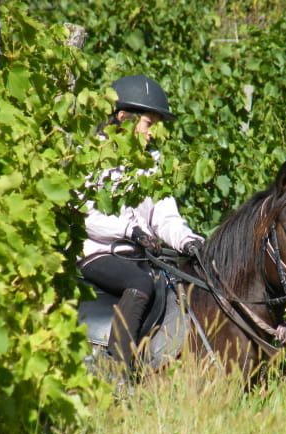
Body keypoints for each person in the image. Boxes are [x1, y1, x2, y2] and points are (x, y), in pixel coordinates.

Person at [77, 74, 204, 376]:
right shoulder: (93, 155)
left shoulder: (151, 164)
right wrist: (131, 231)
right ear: (122, 118)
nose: (152, 134)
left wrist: (189, 241)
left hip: (137, 256)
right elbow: (88, 216)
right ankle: (116, 370)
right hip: (98, 252)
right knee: (141, 283)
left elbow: (166, 217)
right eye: (148, 124)